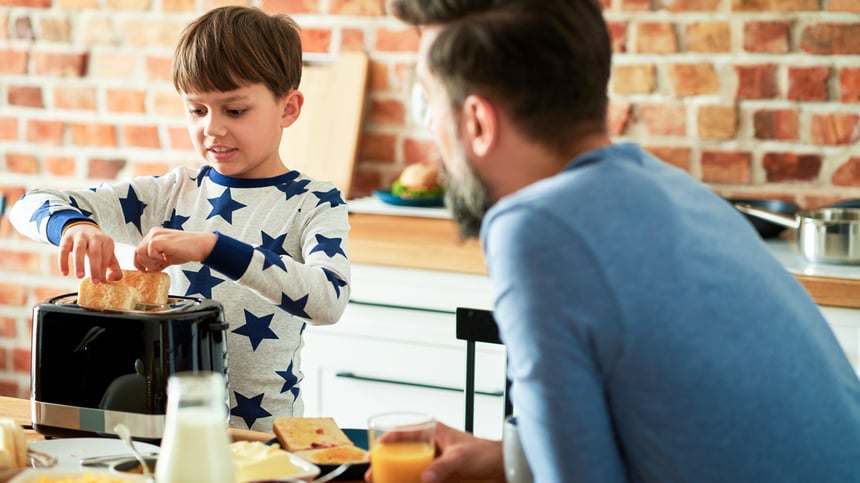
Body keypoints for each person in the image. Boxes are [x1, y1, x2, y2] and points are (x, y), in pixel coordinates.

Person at [386, 0, 860, 482]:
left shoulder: (535, 229)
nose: (429, 128)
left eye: (429, 101)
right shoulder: (676, 189)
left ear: (478, 122)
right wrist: (502, 458)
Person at [10, 6, 350, 433]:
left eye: (235, 110)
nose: (213, 128)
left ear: (288, 108)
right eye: (197, 110)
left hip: (260, 437)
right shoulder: (169, 193)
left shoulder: (315, 202)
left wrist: (212, 247)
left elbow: (328, 301)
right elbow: (27, 205)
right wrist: (76, 226)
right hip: (160, 434)